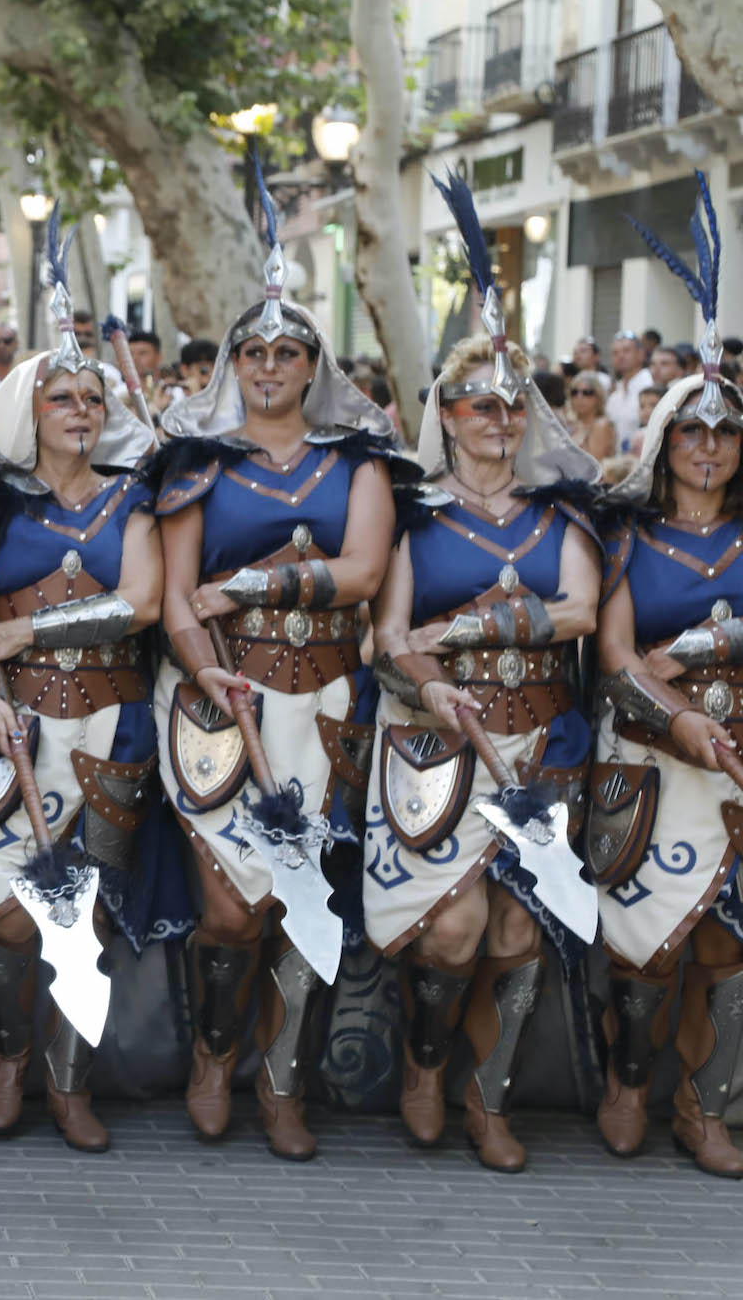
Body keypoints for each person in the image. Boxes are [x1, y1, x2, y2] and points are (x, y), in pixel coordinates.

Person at [154, 164, 401, 1161]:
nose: (265, 364)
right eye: (249, 350)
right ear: (230, 364)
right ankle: (215, 1055)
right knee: (228, 901)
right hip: (219, 693)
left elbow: (361, 571)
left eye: (284, 349)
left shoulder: (357, 460)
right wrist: (204, 662)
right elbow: (176, 595)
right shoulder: (193, 459)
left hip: (327, 696)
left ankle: (285, 1078)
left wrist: (255, 585)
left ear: (310, 365)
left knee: (304, 890)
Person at [363, 174, 603, 1174]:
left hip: (542, 736)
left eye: (514, 404)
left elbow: (584, 609)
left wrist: (479, 623)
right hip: (439, 737)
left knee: (513, 931)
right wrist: (437, 678)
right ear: (446, 415)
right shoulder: (414, 517)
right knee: (453, 924)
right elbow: (387, 634)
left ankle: (486, 1093)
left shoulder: (562, 516)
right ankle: (422, 1064)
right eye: (477, 404)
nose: (497, 419)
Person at [0, 249, 182, 1149]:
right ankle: (9, 1057)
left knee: (89, 912)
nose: (82, 412)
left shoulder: (134, 501)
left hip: (112, 724)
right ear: (29, 413)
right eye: (63, 400)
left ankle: (70, 1080)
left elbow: (147, 604)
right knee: (7, 915)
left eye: (93, 400)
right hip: (11, 728)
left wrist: (32, 633)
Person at [589, 181, 743, 1179]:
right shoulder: (623, 534)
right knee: (643, 944)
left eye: (724, 432)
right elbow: (608, 655)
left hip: (735, 761)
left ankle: (702, 1103)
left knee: (724, 952)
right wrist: (669, 710)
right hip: (646, 756)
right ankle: (626, 1081)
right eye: (689, 431)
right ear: (661, 442)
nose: (706, 446)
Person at [609, 332, 654, 444]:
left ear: (641, 354)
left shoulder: (650, 385)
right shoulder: (615, 393)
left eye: (626, 350)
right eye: (615, 353)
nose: (620, 356)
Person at [565, 370, 619, 459]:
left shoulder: (601, 425)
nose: (580, 397)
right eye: (574, 392)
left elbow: (593, 467)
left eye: (587, 392)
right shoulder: (572, 425)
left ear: (598, 397)